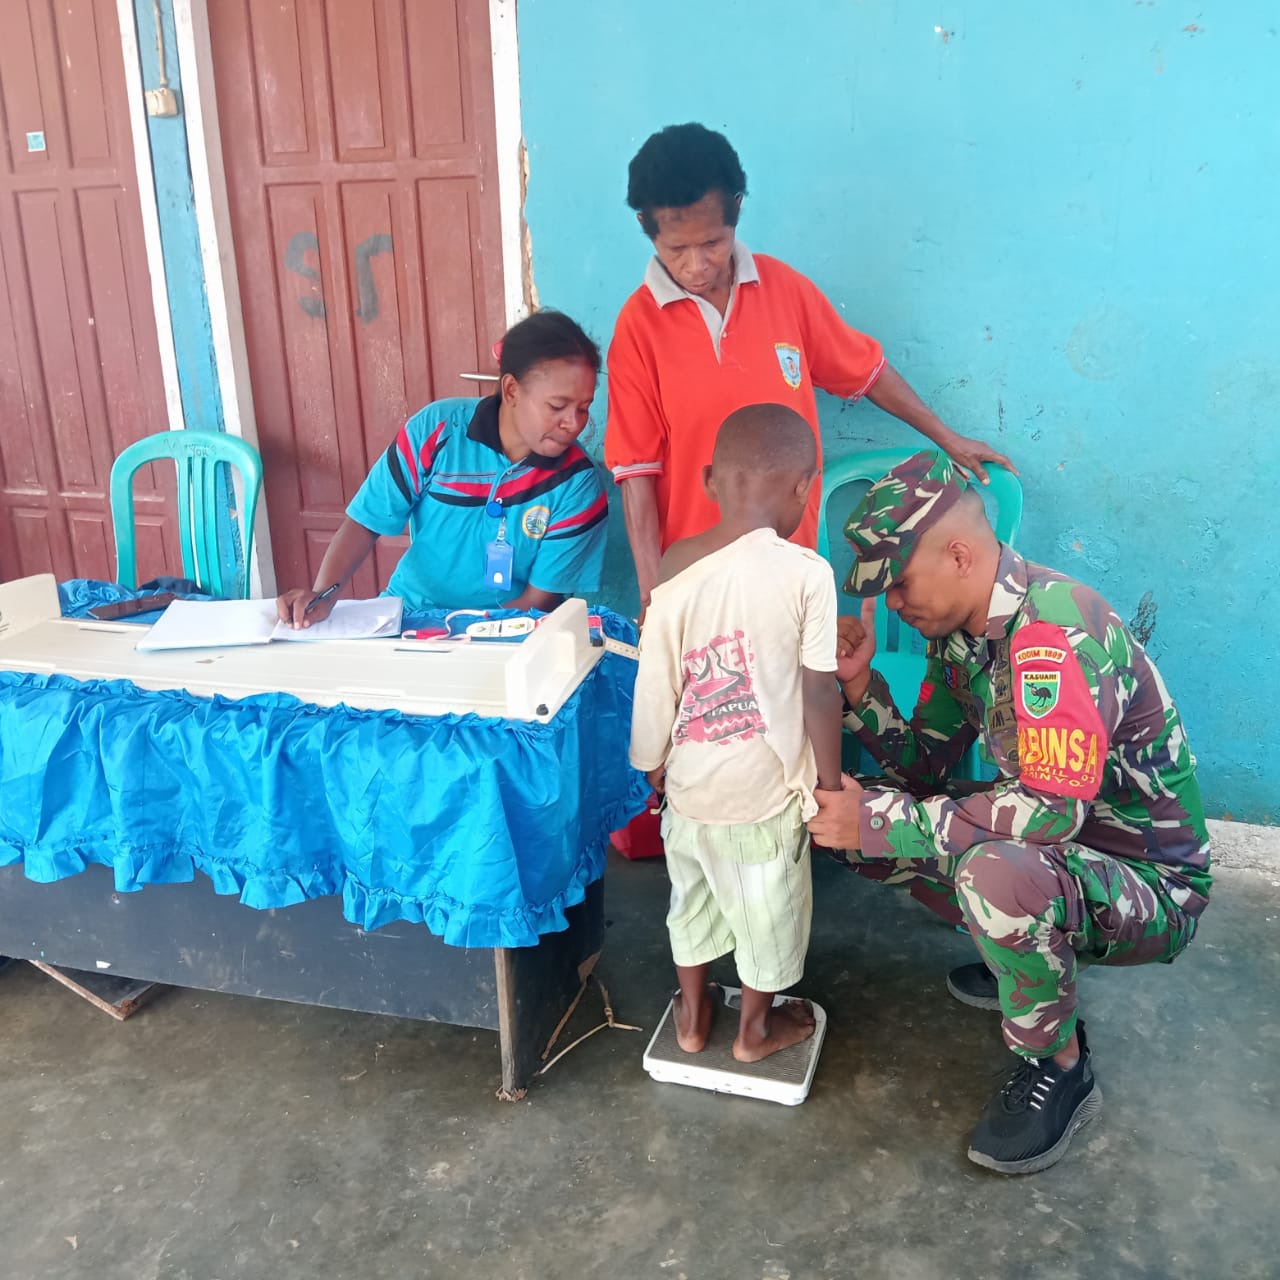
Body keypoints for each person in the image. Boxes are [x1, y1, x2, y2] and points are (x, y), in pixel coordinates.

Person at [807, 450, 1211, 1174]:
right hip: (1063, 855)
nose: (892, 605)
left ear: (959, 555)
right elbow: (923, 767)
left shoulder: (1055, 632)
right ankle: (1025, 964)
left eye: (898, 583)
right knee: (855, 815)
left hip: (1149, 888)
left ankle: (1060, 1065)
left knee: (991, 871)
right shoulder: (961, 635)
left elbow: (1050, 814)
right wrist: (860, 685)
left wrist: (879, 819)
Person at [604, 121, 1014, 615]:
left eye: (711, 243)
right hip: (697, 582)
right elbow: (637, 475)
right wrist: (654, 597)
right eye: (676, 250)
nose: (696, 266)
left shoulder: (784, 291)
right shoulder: (639, 326)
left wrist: (948, 438)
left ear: (737, 210)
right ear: (646, 226)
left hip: (790, 569)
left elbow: (867, 372)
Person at [630, 404, 845, 1062]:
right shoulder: (807, 574)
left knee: (691, 902)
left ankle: (693, 1017)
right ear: (804, 488)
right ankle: (754, 1030)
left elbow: (656, 677)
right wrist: (830, 786)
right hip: (764, 796)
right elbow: (819, 690)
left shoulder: (674, 566)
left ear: (708, 481)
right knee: (767, 910)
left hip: (689, 791)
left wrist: (652, 760)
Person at [277, 311, 609, 625]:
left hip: (504, 631)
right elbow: (366, 521)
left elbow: (539, 599)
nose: (574, 423)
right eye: (557, 406)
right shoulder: (437, 430)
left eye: (584, 408)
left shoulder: (577, 483)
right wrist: (324, 595)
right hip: (408, 615)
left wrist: (458, 635)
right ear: (511, 390)